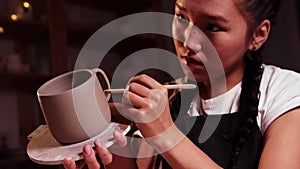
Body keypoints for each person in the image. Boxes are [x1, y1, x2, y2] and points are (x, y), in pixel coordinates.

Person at [63, 0, 300, 168]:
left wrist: (165, 133)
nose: (188, 41)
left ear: (258, 35)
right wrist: (100, 151)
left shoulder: (284, 92)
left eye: (213, 27)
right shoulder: (165, 98)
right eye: (181, 18)